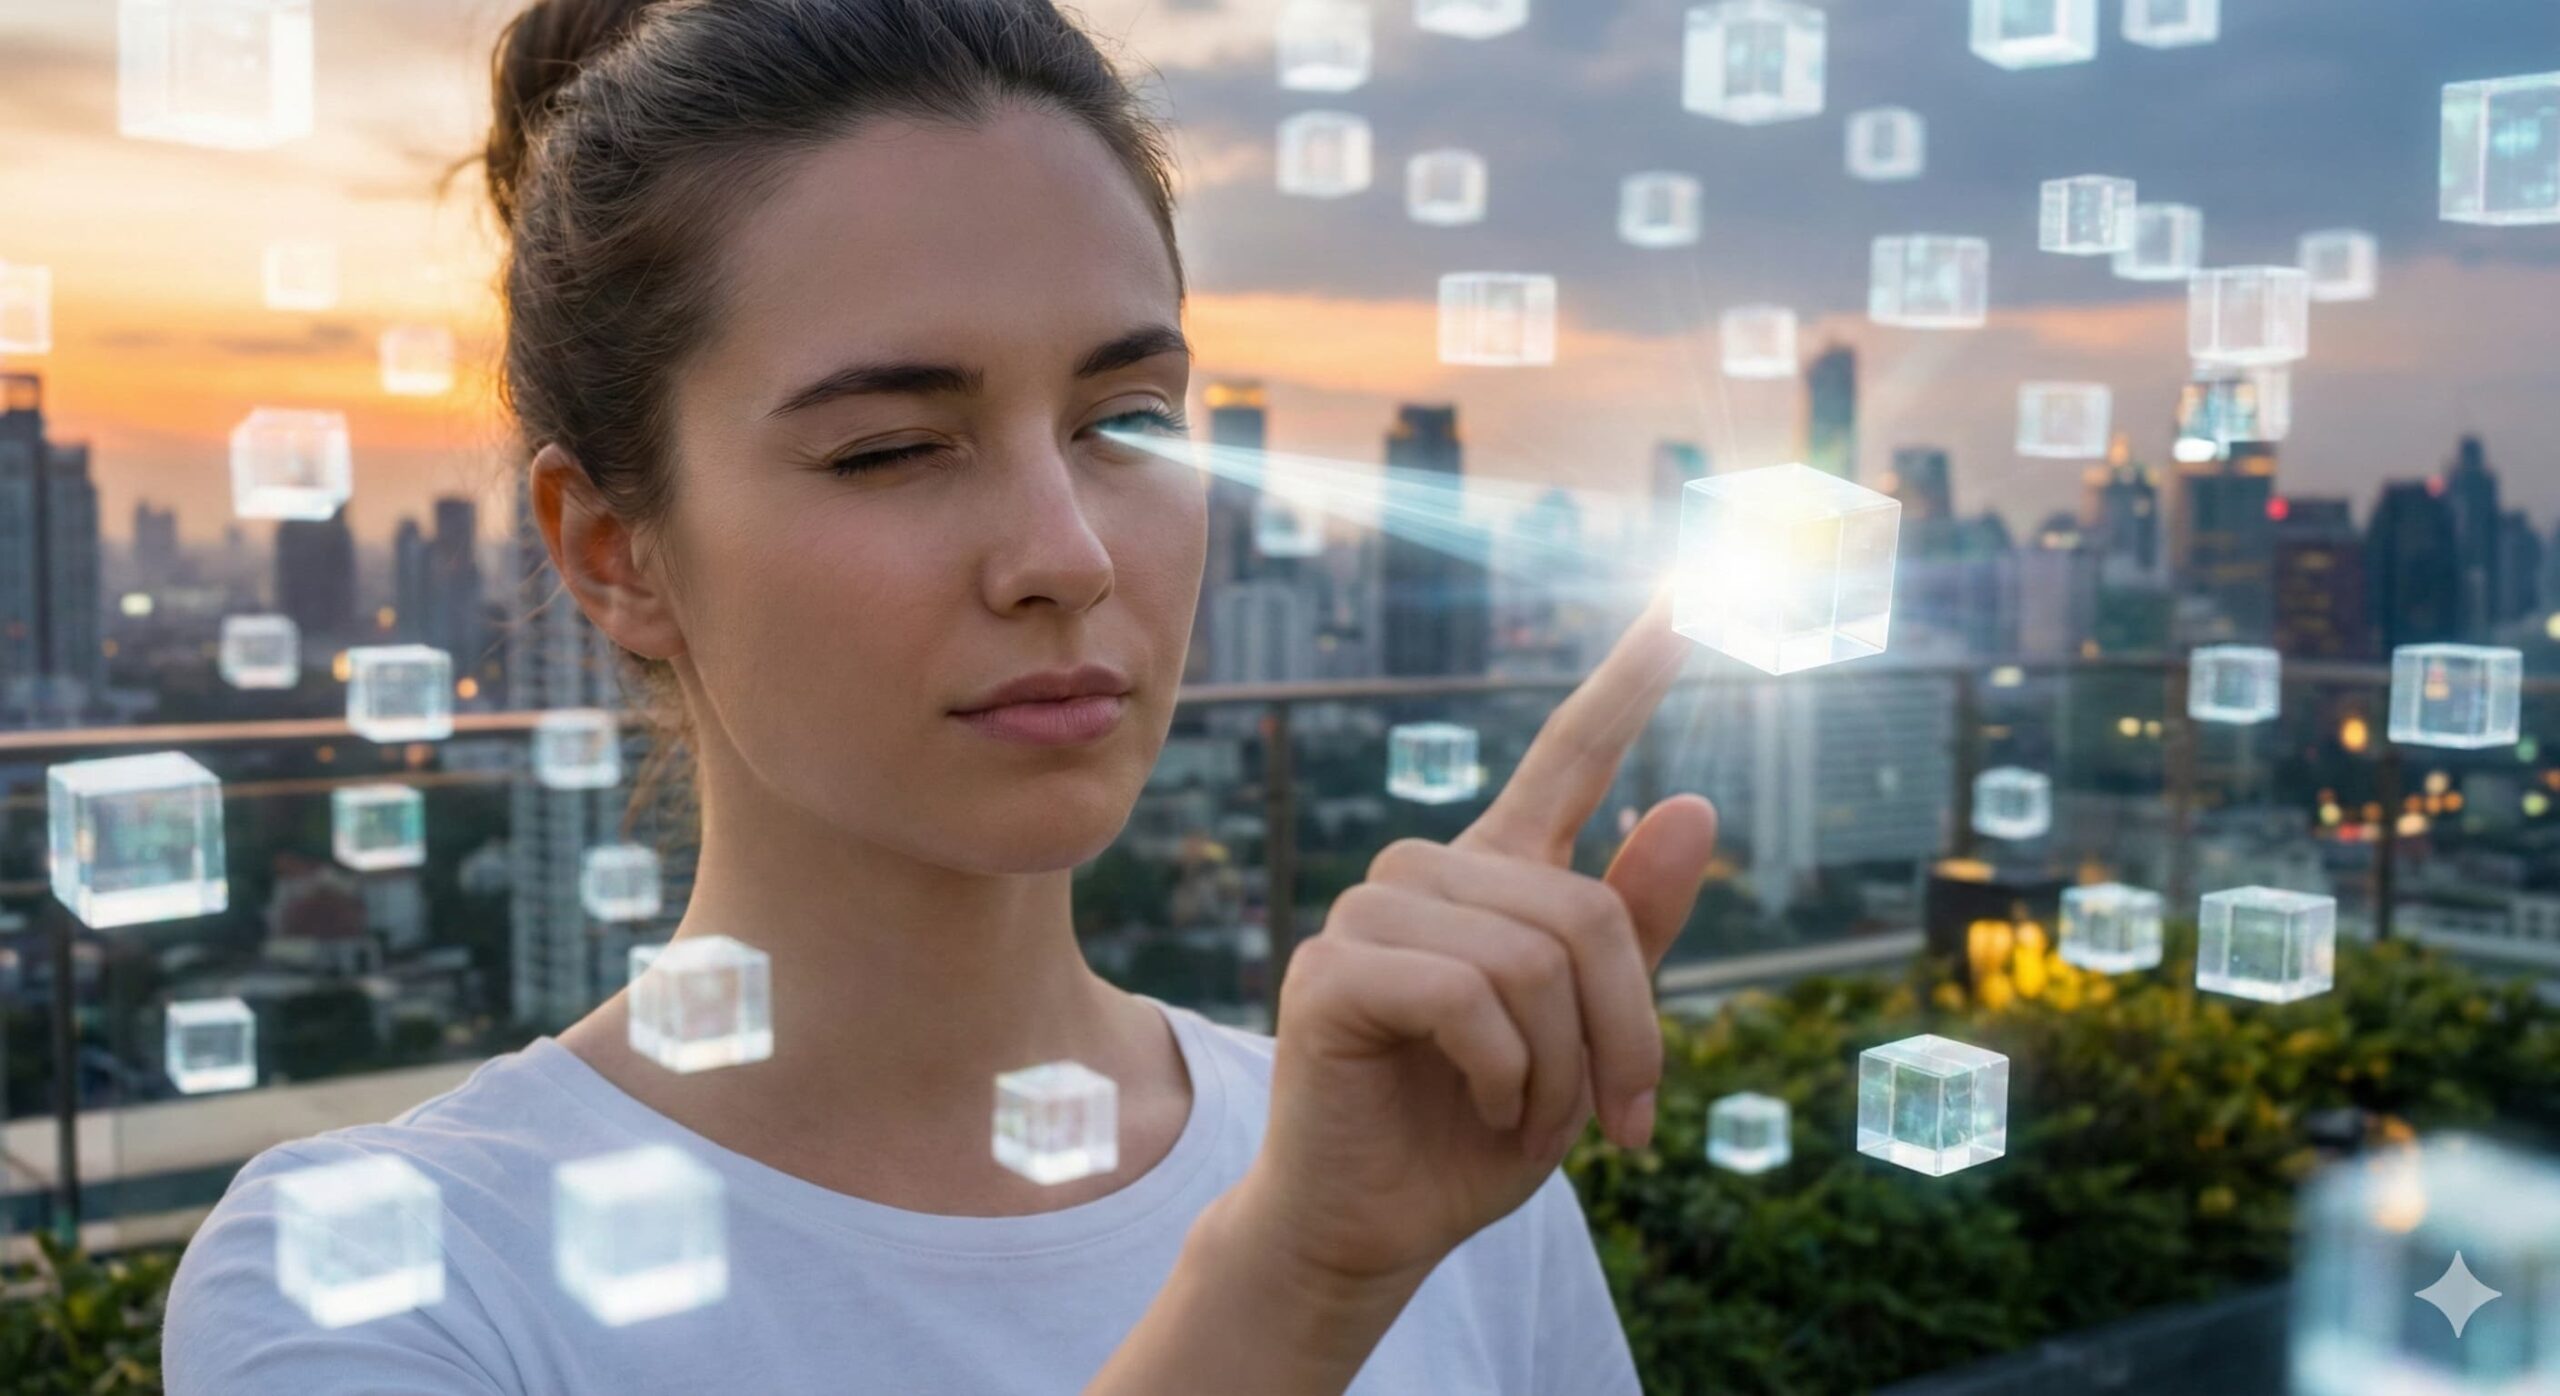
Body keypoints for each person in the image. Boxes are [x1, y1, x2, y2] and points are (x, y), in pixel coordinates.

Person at [163, 1, 1720, 1390]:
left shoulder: (1419, 1155)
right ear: (613, 549)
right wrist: (1297, 1290)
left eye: (1129, 421)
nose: (1066, 552)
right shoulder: (396, 1278)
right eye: (891, 448)